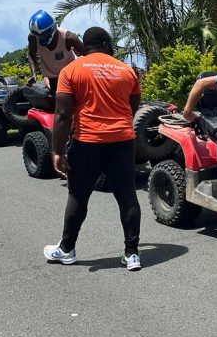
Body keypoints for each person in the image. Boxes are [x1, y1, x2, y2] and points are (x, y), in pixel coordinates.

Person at [42, 26, 144, 271]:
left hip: (88, 142)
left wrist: (57, 151)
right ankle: (132, 254)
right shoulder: (127, 71)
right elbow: (132, 107)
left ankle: (67, 249)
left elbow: (63, 114)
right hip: (122, 140)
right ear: (107, 45)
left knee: (78, 195)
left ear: (84, 47)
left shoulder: (71, 70)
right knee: (127, 196)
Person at [27, 9, 84, 94]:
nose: (40, 38)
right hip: (53, 78)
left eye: (43, 35)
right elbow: (31, 55)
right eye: (38, 36)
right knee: (58, 101)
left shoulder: (69, 38)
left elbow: (87, 55)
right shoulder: (33, 38)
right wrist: (34, 74)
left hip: (71, 76)